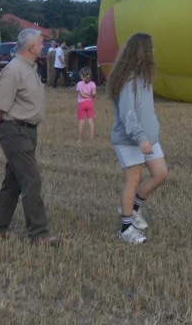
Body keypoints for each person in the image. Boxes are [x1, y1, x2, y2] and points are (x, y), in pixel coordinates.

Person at [0, 29, 57, 245]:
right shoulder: (14, 70)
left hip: (26, 131)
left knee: (14, 182)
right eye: (40, 43)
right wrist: (1, 131)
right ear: (30, 47)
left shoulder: (31, 68)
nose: (43, 46)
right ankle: (38, 234)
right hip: (15, 131)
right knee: (31, 181)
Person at [109, 33, 168, 245]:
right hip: (129, 139)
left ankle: (132, 208)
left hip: (147, 138)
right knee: (132, 181)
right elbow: (128, 115)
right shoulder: (129, 80)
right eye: (150, 49)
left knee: (160, 173)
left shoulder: (144, 77)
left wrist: (151, 133)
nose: (153, 53)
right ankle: (126, 229)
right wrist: (141, 137)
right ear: (143, 52)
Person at [75, 67, 97, 142]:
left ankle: (79, 139)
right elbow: (94, 93)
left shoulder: (79, 84)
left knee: (81, 122)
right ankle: (91, 138)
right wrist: (91, 97)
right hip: (90, 103)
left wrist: (87, 96)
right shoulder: (93, 84)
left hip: (81, 103)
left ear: (82, 76)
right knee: (91, 121)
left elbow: (82, 95)